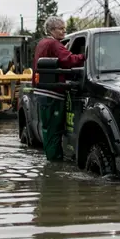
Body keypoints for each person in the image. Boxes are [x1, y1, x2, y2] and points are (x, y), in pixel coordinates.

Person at [32, 16, 85, 161]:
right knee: (54, 132)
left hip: (43, 92)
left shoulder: (42, 43)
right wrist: (85, 56)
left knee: (48, 131)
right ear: (52, 30)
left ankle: (51, 161)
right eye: (61, 29)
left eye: (64, 28)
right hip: (53, 94)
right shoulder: (53, 44)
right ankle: (54, 164)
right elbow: (68, 60)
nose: (64, 31)